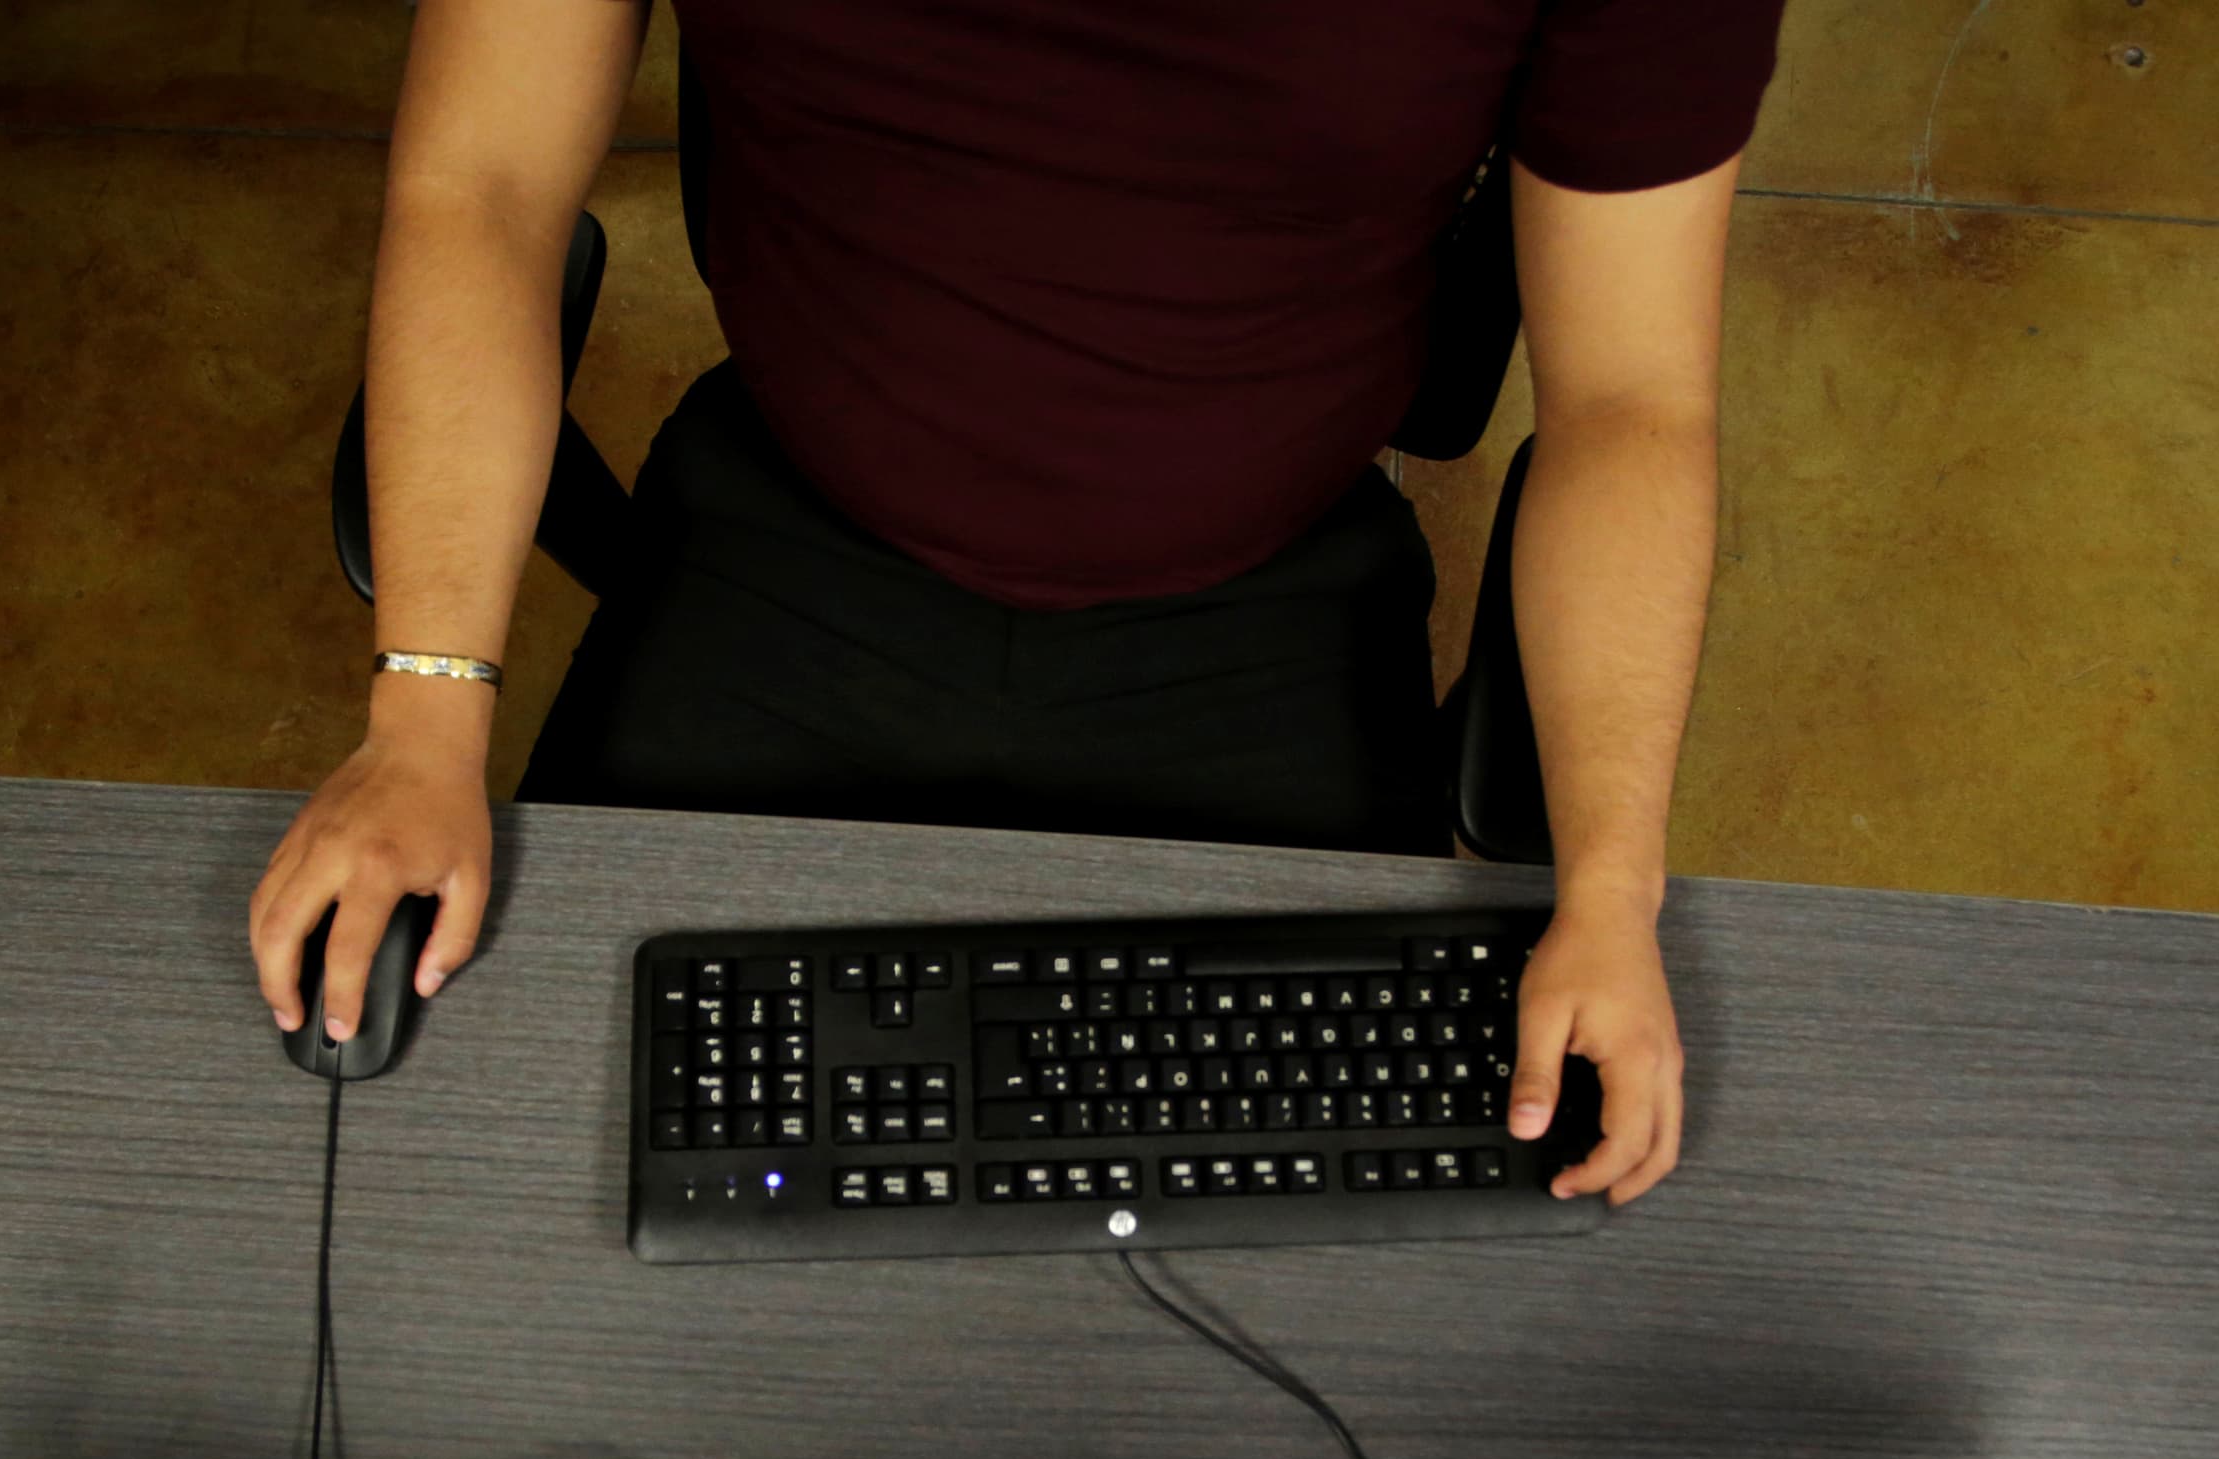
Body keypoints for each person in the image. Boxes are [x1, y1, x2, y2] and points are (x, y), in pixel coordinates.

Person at [253, 0, 1779, 1208]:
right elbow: (485, 189)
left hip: (1265, 601)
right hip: (783, 530)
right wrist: (424, 707)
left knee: (1309, 1275)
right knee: (516, 1173)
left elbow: (1631, 404)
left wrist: (1609, 890)